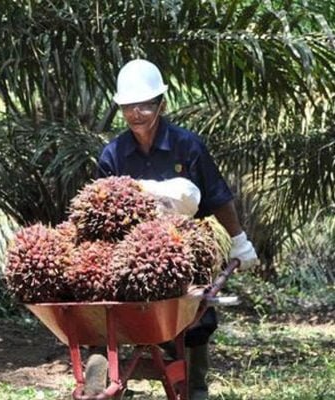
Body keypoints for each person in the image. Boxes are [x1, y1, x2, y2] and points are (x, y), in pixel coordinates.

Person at [92, 59, 260, 400]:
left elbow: (217, 197)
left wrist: (239, 241)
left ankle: (194, 389)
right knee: (103, 314)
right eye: (128, 107)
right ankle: (99, 376)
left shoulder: (188, 146)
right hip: (131, 254)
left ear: (161, 104)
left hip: (185, 249)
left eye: (144, 105)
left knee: (196, 319)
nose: (136, 114)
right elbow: (102, 207)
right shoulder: (113, 154)